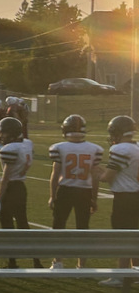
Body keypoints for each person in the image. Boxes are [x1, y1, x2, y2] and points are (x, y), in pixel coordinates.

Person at [48, 114, 103, 269]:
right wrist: (94, 198)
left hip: (65, 190)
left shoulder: (59, 147)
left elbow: (55, 174)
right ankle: (82, 265)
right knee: (83, 229)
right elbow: (95, 177)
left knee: (58, 226)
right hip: (84, 192)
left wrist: (52, 195)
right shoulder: (95, 149)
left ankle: (57, 261)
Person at [0, 117, 42, 269]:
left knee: (7, 227)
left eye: (3, 133)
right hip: (21, 187)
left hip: (11, 188)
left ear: (10, 134)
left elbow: (6, 177)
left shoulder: (10, 150)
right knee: (23, 224)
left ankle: (12, 261)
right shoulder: (27, 143)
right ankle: (36, 260)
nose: (1, 136)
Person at [97, 116, 139, 286]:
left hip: (125, 198)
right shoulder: (137, 147)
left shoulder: (120, 149)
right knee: (136, 236)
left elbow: (109, 177)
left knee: (122, 236)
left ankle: (120, 276)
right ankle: (136, 272)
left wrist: (97, 174)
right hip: (137, 196)